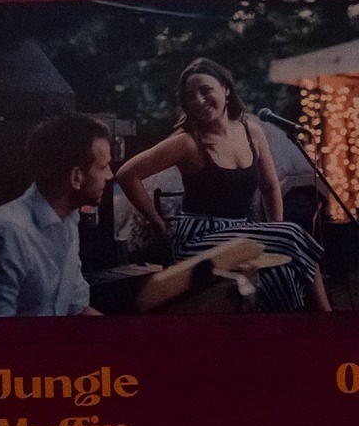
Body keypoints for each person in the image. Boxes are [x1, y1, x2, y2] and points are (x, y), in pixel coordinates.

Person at [117, 58, 331, 312]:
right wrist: (157, 223)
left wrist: (273, 233)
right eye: (190, 96)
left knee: (280, 272)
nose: (199, 100)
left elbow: (270, 188)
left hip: (242, 235)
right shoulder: (187, 142)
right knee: (293, 234)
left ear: (226, 89)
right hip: (198, 239)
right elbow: (127, 174)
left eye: (205, 90)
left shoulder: (252, 132)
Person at [0, 113, 112, 317]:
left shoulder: (69, 221)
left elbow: (76, 307)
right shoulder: (6, 234)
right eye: (103, 167)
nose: (110, 175)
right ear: (76, 177)